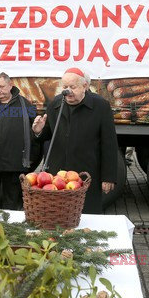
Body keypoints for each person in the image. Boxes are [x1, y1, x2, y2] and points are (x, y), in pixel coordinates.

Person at [32, 67, 118, 214]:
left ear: (85, 86)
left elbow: (109, 143)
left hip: (87, 173)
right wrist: (38, 131)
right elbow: (49, 134)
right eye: (64, 87)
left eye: (72, 87)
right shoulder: (56, 104)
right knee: (58, 214)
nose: (67, 91)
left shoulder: (100, 106)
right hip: (58, 174)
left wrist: (109, 176)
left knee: (86, 216)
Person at [0, 72, 37, 210]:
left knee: (12, 206)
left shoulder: (25, 105)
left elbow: (36, 133)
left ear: (10, 85)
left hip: (14, 165)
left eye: (2, 86)